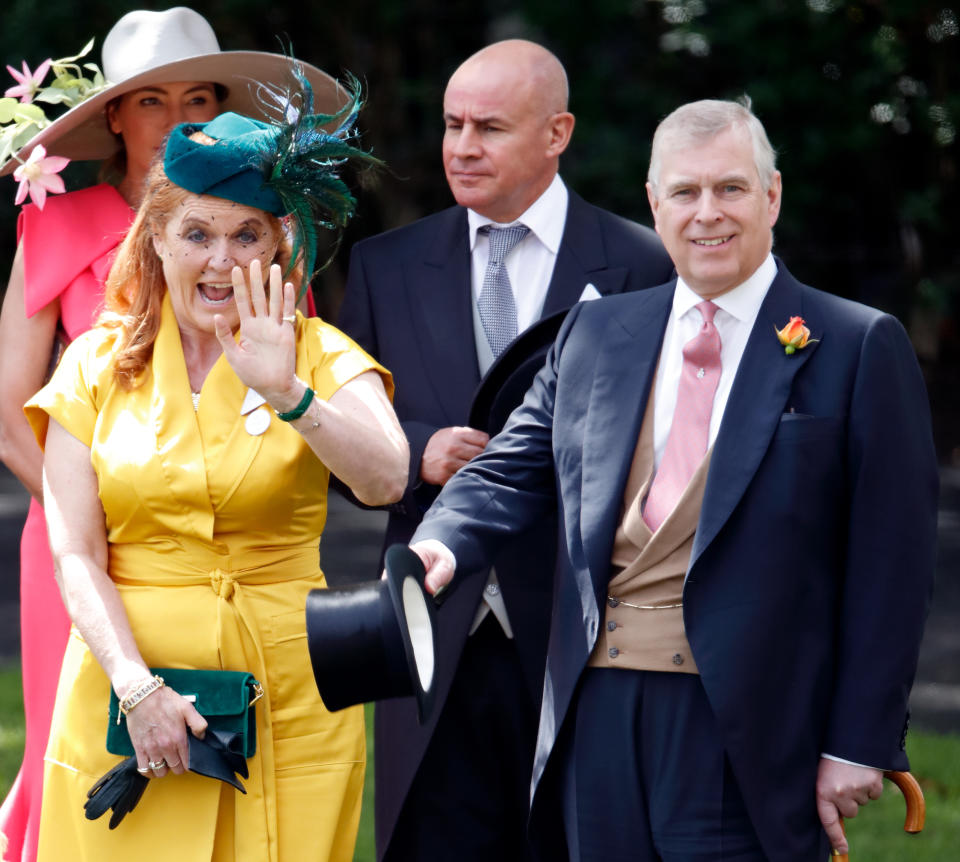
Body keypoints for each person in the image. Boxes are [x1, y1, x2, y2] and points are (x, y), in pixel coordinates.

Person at [407, 98, 938, 861]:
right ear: (655, 206)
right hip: (597, 716)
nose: (707, 214)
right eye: (685, 193)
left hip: (751, 724)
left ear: (773, 196)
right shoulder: (595, 333)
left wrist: (861, 741)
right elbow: (512, 465)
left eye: (731, 189)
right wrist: (443, 541)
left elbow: (893, 568)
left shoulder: (856, 344)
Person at [22, 76, 407, 859]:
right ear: (157, 239)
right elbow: (73, 551)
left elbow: (385, 479)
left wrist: (289, 394)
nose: (221, 261)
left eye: (247, 236)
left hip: (291, 698)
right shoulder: (97, 364)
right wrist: (137, 688)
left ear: (279, 246)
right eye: (197, 234)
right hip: (127, 692)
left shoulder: (317, 355)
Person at [337, 39, 673, 861]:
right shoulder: (385, 266)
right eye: (452, 125)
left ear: (557, 133)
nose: (460, 147)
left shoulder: (643, 264)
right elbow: (335, 448)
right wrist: (416, 452)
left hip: (585, 639)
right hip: (430, 637)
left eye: (488, 127)